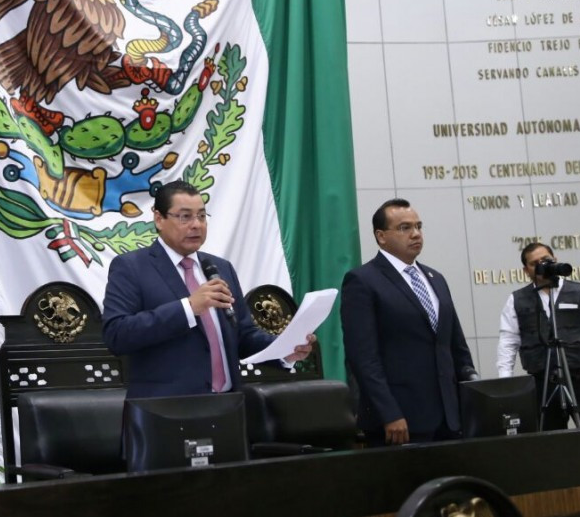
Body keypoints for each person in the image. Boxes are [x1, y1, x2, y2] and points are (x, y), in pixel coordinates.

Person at [101, 180, 313, 399]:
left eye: (202, 216)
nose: (196, 225)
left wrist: (284, 349)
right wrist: (189, 307)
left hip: (228, 406)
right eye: (185, 216)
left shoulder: (220, 268)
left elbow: (242, 335)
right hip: (166, 411)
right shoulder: (131, 267)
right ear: (159, 219)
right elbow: (117, 334)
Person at [341, 198, 477, 446]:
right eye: (405, 228)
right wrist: (389, 413)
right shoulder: (363, 281)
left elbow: (456, 346)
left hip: (449, 420)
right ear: (381, 236)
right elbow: (363, 358)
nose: (416, 234)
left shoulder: (436, 279)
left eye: (419, 226)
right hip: (399, 422)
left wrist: (469, 400)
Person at [497, 242, 580, 429]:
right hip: (542, 383)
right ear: (526, 270)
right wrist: (506, 380)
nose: (542, 266)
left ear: (555, 260)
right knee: (548, 444)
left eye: (546, 260)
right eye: (535, 263)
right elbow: (508, 341)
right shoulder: (516, 300)